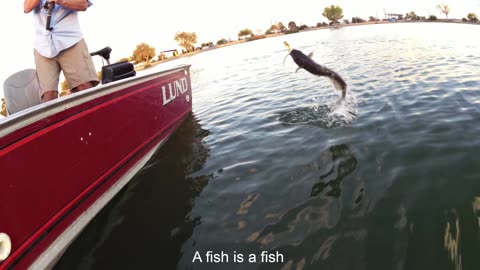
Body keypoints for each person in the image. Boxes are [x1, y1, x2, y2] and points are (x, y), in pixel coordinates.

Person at [24, 0, 99, 102]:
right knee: (48, 96)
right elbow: (27, 7)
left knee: (84, 88)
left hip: (71, 41)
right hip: (43, 46)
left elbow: (83, 4)